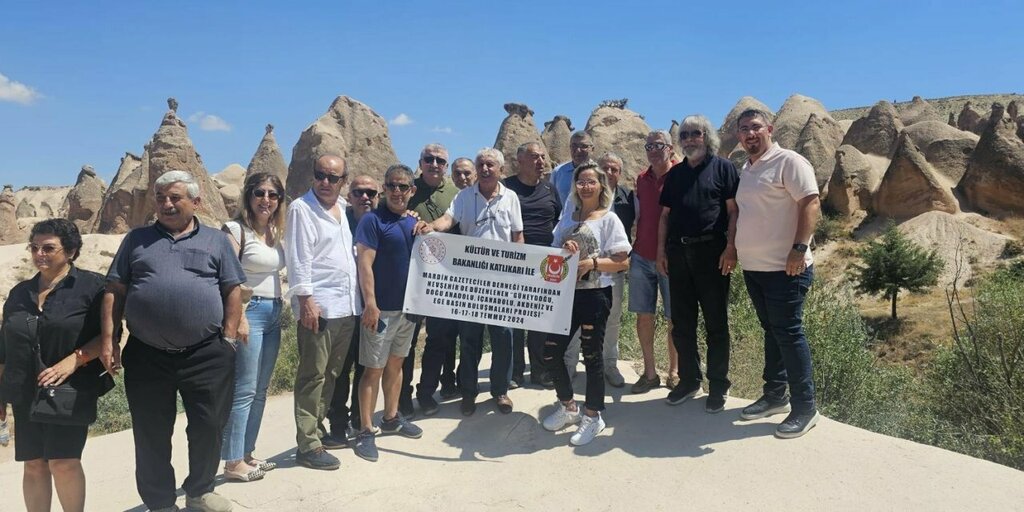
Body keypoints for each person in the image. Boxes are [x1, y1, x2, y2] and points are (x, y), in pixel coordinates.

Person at [103, 171, 245, 512]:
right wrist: (110, 340)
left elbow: (232, 288)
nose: (166, 204)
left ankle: (200, 491)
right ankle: (160, 502)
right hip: (147, 354)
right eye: (160, 197)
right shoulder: (136, 240)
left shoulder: (216, 240)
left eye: (175, 197)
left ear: (195, 202)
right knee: (151, 432)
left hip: (206, 353)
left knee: (209, 426)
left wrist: (228, 338)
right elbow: (115, 290)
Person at [0, 219, 109, 512]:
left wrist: (75, 360)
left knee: (63, 462)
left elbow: (110, 335)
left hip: (70, 388)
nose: (39, 254)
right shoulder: (20, 292)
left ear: (71, 251)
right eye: (34, 247)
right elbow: (4, 347)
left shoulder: (93, 286)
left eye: (48, 248)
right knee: (34, 464)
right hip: (25, 390)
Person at [414, 147, 524, 416]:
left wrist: (519, 270)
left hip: (501, 281)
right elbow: (447, 219)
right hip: (470, 281)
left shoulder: (510, 197)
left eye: (490, 165)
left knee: (503, 338)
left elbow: (517, 236)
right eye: (481, 164)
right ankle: (469, 392)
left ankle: (500, 391)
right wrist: (431, 226)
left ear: (500, 170)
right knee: (469, 339)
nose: (485, 169)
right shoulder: (464, 196)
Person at [733, 108, 822, 438]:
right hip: (755, 268)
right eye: (744, 129)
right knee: (772, 331)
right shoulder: (747, 169)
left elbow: (810, 203)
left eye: (755, 127)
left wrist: (799, 248)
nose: (750, 133)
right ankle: (774, 396)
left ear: (769, 129)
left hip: (786, 268)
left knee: (788, 332)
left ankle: (805, 408)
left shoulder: (789, 161)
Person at [541, 162, 631, 446]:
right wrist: (564, 250)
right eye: (581, 181)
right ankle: (569, 407)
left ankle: (593, 416)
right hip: (566, 295)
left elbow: (623, 261)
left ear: (601, 186)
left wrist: (591, 262)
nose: (586, 186)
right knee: (551, 351)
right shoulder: (568, 219)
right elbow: (554, 255)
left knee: (592, 356)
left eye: (592, 181)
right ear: (575, 186)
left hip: (595, 295)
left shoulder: (608, 219)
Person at [656, 115, 739, 413]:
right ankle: (690, 380)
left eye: (696, 133)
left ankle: (718, 384)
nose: (690, 139)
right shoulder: (676, 175)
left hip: (712, 253)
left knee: (716, 323)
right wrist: (660, 251)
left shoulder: (724, 168)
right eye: (685, 135)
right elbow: (665, 216)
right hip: (678, 254)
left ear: (707, 136)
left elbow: (733, 212)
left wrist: (731, 247)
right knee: (682, 323)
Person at [284, 155, 359, 470]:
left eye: (332, 177)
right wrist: (306, 301)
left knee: (332, 373)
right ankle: (308, 445)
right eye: (320, 175)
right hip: (320, 306)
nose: (325, 182)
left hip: (346, 306)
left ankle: (316, 429)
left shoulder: (343, 208)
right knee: (312, 375)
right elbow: (298, 257)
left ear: (343, 181)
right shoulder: (301, 209)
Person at [351, 164, 424, 462]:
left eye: (402, 186)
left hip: (407, 310)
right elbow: (364, 264)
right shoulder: (372, 221)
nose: (396, 191)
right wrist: (370, 303)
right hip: (380, 311)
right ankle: (365, 430)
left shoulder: (414, 223)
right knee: (373, 369)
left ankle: (391, 417)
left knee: (397, 364)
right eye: (391, 186)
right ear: (384, 188)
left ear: (412, 191)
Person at [219, 172, 286, 482]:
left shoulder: (274, 231)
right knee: (244, 388)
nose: (266, 200)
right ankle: (232, 461)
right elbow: (225, 276)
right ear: (248, 196)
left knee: (260, 389)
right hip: (251, 311)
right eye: (260, 193)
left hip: (274, 311)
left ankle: (247, 453)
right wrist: (239, 317)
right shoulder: (235, 230)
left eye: (273, 194)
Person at [324, 174, 380, 445]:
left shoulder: (380, 221)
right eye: (359, 192)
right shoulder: (338, 221)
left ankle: (360, 420)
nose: (365, 197)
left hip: (372, 308)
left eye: (371, 193)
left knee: (365, 365)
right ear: (350, 195)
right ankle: (337, 423)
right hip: (343, 307)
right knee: (339, 368)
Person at [410, 145, 464, 416]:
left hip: (444, 278)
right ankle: (402, 396)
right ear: (420, 162)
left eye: (440, 160)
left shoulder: (456, 194)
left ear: (446, 165)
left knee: (438, 338)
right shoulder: (406, 190)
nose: (434, 164)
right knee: (407, 341)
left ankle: (426, 392)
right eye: (428, 159)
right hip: (411, 277)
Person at [504, 142, 561, 389]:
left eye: (542, 157)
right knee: (515, 319)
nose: (541, 162)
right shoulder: (505, 187)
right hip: (514, 260)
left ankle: (539, 370)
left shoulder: (549, 188)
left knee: (540, 318)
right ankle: (515, 372)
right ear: (520, 161)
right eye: (534, 157)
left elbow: (559, 219)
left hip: (545, 263)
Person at [629, 130, 680, 393]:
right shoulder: (642, 178)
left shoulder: (682, 174)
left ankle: (675, 372)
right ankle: (650, 373)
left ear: (670, 148)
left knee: (675, 317)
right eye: (649, 146)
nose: (653, 150)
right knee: (644, 316)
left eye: (659, 145)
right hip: (641, 256)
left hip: (672, 258)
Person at [550, 131, 595, 204]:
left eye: (583, 146)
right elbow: (551, 200)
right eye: (574, 146)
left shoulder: (600, 172)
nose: (578, 151)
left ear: (592, 149)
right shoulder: (558, 172)